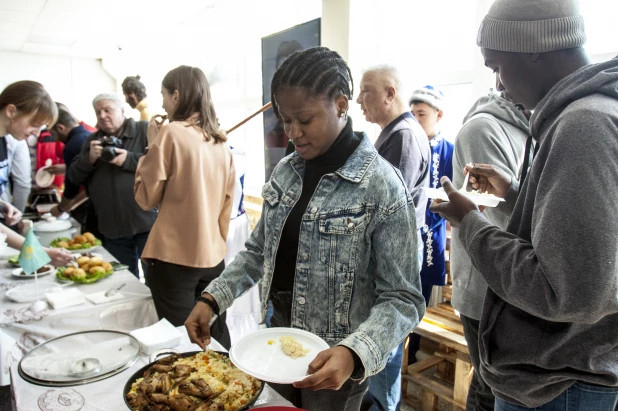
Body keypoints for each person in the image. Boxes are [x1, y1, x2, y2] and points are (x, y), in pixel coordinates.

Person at [185, 46, 425, 411]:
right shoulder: (287, 170)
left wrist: (354, 352)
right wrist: (213, 298)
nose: (293, 133)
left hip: (334, 361)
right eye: (285, 120)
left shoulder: (381, 185)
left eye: (305, 119)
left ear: (341, 105)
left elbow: (403, 299)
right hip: (275, 340)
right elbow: (257, 251)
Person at [430, 0, 618, 409]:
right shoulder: (591, 114)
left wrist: (472, 223)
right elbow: (581, 242)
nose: (497, 85)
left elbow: (569, 293)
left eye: (496, 66)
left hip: (558, 383)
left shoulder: (584, 124)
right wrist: (515, 194)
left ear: (533, 47)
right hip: (566, 375)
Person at [135, 65, 234, 346]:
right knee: (215, 334)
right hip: (213, 256)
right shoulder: (220, 142)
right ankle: (229, 387)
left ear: (176, 95)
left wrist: (151, 146)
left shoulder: (171, 134)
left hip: (172, 257)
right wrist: (214, 243)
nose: (163, 103)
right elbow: (226, 206)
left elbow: (145, 197)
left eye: (164, 95)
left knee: (183, 339)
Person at [450, 77, 530, 411]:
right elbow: (499, 221)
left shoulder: (538, 127)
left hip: (519, 283)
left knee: (494, 387)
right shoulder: (483, 130)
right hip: (488, 290)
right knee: (490, 389)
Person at [356, 65, 430, 411]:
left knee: (384, 332)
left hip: (393, 254)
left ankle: (384, 405)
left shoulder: (404, 136)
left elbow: (384, 206)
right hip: (388, 252)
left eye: (366, 90)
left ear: (390, 93)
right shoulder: (393, 133)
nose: (359, 99)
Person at [69, 93, 156, 278]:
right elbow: (74, 176)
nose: (102, 116)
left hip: (147, 223)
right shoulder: (91, 141)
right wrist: (90, 158)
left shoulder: (143, 130)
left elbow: (162, 165)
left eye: (107, 110)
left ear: (122, 110)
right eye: (98, 112)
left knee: (157, 281)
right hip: (112, 229)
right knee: (123, 281)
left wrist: (129, 159)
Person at [0, 80, 73, 266]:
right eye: (34, 124)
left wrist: (2, 205)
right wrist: (40, 251)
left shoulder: (6, 142)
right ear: (11, 111)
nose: (35, 133)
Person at [408, 85, 453, 363]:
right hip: (406, 233)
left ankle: (412, 353)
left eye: (421, 114)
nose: (414, 119)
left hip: (431, 235)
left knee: (421, 295)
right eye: (411, 114)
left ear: (438, 115)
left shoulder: (450, 149)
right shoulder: (407, 143)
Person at [48, 105, 93, 224]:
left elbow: (72, 188)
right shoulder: (89, 135)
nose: (54, 139)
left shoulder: (72, 146)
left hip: (90, 207)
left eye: (53, 134)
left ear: (60, 128)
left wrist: (60, 208)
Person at [0, 134, 31, 213]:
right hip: (5, 212)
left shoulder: (16, 140)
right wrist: (18, 214)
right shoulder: (17, 140)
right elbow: (23, 183)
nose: (36, 133)